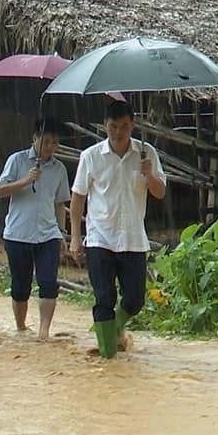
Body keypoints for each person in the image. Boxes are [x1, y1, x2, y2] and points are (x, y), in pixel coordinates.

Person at [68, 101, 166, 358]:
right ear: (105, 126)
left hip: (132, 237)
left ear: (132, 126)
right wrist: (76, 238)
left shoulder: (147, 154)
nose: (118, 133)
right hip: (100, 236)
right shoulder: (90, 156)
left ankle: (113, 330)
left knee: (135, 300)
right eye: (113, 127)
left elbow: (159, 192)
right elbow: (78, 197)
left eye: (124, 127)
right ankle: (107, 358)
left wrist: (149, 175)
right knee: (104, 298)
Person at [0, 117, 71, 340]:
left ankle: (43, 331)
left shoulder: (59, 169)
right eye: (45, 141)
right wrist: (25, 181)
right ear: (34, 138)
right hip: (18, 234)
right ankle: (20, 327)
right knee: (20, 286)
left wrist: (62, 234)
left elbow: (60, 204)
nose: (49, 147)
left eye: (54, 143)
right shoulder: (16, 161)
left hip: (48, 235)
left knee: (48, 282)